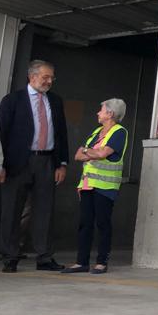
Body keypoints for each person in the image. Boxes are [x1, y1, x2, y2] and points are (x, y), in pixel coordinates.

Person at [0, 59, 69, 273]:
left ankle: (44, 257)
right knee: (11, 210)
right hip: (17, 162)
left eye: (51, 78)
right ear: (32, 76)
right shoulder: (12, 100)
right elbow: (0, 134)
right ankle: (10, 256)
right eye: (45, 77)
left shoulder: (55, 101)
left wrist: (62, 163)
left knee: (45, 210)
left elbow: (61, 134)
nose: (49, 81)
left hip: (46, 161)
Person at [62, 99, 129, 274]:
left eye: (101, 110)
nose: (98, 113)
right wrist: (89, 152)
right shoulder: (97, 132)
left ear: (110, 114)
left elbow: (102, 153)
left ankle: (101, 262)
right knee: (85, 224)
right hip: (87, 185)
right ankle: (81, 262)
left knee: (103, 223)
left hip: (105, 187)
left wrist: (87, 152)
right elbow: (78, 154)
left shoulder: (119, 132)